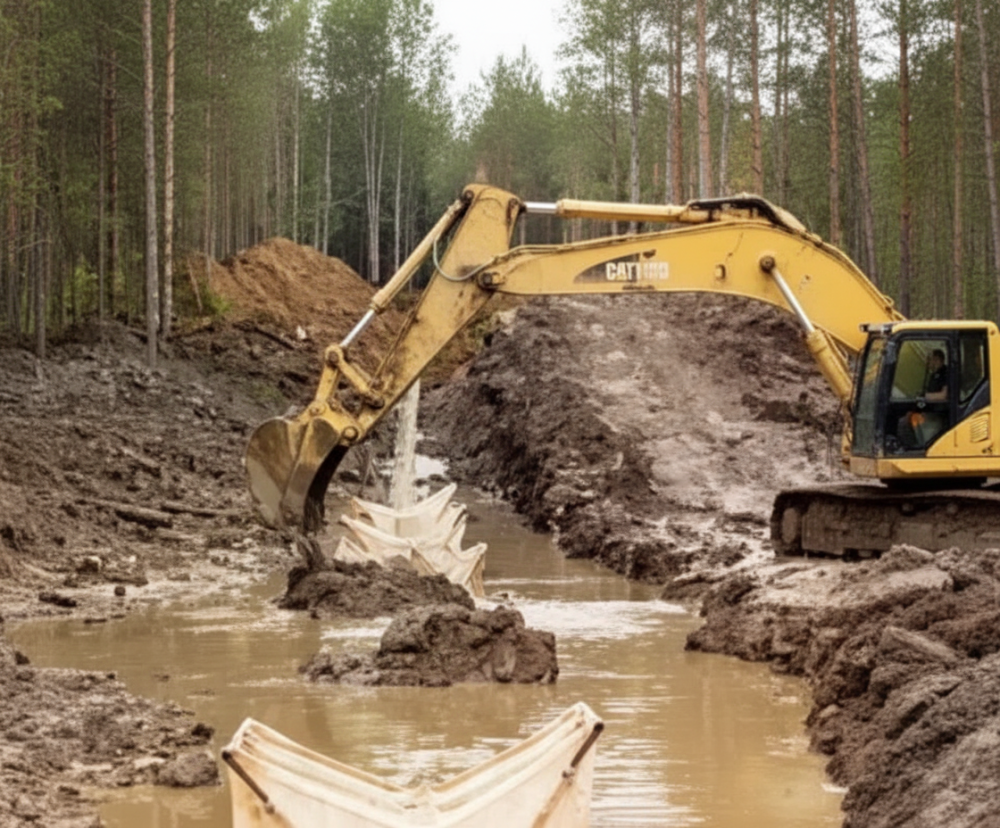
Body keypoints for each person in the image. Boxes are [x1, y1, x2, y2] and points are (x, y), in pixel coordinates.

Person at [897, 348, 948, 448]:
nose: (929, 363)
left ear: (937, 360)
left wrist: (925, 396)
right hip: (930, 408)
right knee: (908, 416)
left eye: (931, 360)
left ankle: (919, 445)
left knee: (906, 421)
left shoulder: (946, 374)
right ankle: (916, 444)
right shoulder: (933, 375)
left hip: (940, 411)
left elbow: (944, 395)